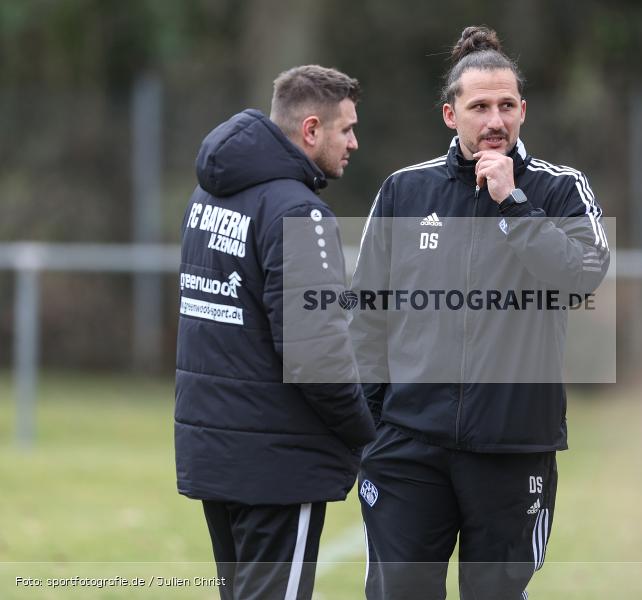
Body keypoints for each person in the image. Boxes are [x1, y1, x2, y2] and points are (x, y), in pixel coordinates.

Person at [350, 26, 610, 600]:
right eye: (480, 107)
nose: (496, 120)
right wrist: (372, 431)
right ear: (451, 115)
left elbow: (583, 274)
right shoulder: (404, 191)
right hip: (408, 447)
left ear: (524, 111)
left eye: (507, 106)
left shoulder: (560, 190)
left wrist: (512, 204)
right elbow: (367, 315)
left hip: (514, 450)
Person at [174, 65, 376, 600]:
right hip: (279, 464)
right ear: (311, 130)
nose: (354, 143)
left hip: (216, 449)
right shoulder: (299, 212)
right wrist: (365, 431)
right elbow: (317, 355)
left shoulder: (206, 197)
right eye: (346, 129)